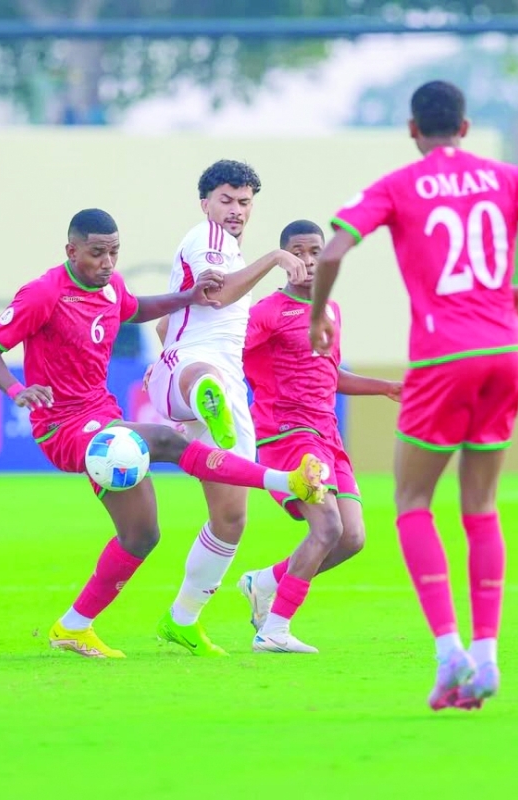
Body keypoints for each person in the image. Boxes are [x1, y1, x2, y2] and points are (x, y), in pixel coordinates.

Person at [308, 81, 518, 709]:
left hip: (443, 354)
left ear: (413, 130)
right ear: (464, 125)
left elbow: (332, 250)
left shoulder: (398, 185)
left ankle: (448, 652)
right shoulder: (507, 176)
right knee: (481, 508)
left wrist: (318, 314)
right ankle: (487, 657)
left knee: (411, 503)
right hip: (505, 352)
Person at [0, 208, 327, 660]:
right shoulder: (44, 293)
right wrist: (17, 389)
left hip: (101, 415)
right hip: (63, 427)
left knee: (142, 534)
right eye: (97, 253)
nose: (107, 262)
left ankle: (73, 626)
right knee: (167, 441)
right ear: (71, 250)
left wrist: (188, 296)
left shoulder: (110, 287)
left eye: (114, 252)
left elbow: (136, 309)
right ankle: (284, 480)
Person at [145, 160, 308, 656]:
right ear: (205, 203)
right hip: (193, 369)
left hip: (195, 376)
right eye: (226, 200)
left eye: (244, 202)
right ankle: (203, 393)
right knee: (206, 371)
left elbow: (172, 321)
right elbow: (217, 297)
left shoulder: (223, 246)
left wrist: (171, 342)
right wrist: (277, 257)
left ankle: (183, 619)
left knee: (232, 517)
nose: (235, 211)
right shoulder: (209, 239)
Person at [238, 220, 401, 654]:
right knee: (326, 527)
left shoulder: (331, 311)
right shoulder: (267, 313)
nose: (308, 262)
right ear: (284, 258)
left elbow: (331, 375)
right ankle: (274, 629)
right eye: (298, 252)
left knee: (352, 538)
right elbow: (225, 353)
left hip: (327, 437)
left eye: (315, 252)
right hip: (287, 434)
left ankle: (266, 580)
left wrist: (384, 387)